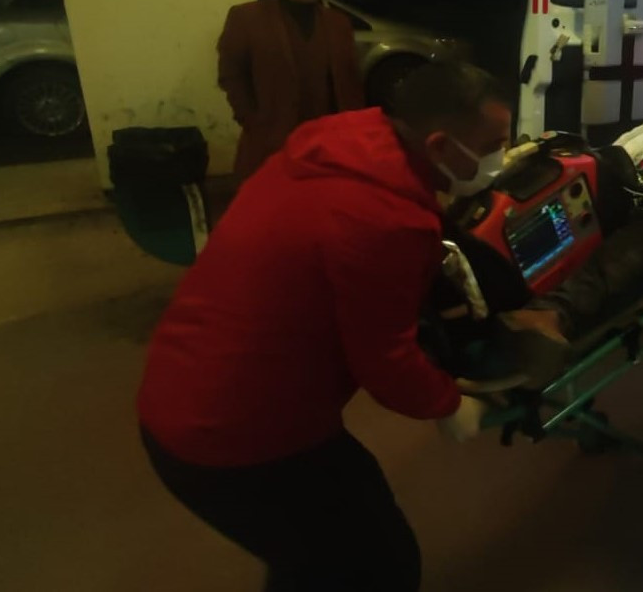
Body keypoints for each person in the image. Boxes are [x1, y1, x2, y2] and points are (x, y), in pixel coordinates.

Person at [137, 62, 511, 592]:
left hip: (180, 391)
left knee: (317, 557)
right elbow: (385, 360)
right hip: (238, 436)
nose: (502, 156)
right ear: (439, 145)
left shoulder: (340, 146)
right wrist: (447, 404)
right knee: (377, 565)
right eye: (495, 145)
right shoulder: (385, 219)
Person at [217, 0, 365, 181]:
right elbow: (231, 74)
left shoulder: (338, 23)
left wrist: (353, 126)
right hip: (274, 139)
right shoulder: (248, 18)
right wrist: (252, 120)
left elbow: (351, 78)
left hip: (330, 140)